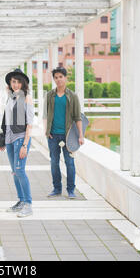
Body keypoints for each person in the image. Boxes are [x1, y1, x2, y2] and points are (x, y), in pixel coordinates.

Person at [43, 67, 84, 199]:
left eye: (61, 77)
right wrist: (47, 130)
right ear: (54, 79)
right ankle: (57, 189)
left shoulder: (72, 96)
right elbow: (46, 114)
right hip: (53, 135)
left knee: (69, 163)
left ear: (65, 78)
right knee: (54, 163)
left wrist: (80, 135)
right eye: (56, 77)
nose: (58, 79)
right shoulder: (50, 95)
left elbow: (78, 117)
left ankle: (71, 190)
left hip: (68, 136)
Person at [0, 68, 34, 217]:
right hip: (9, 139)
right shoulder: (11, 97)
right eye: (13, 81)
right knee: (14, 172)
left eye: (19, 81)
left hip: (21, 138)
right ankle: (20, 201)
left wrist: (25, 145)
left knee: (20, 170)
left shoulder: (27, 97)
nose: (16, 84)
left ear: (23, 83)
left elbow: (30, 123)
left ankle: (28, 204)